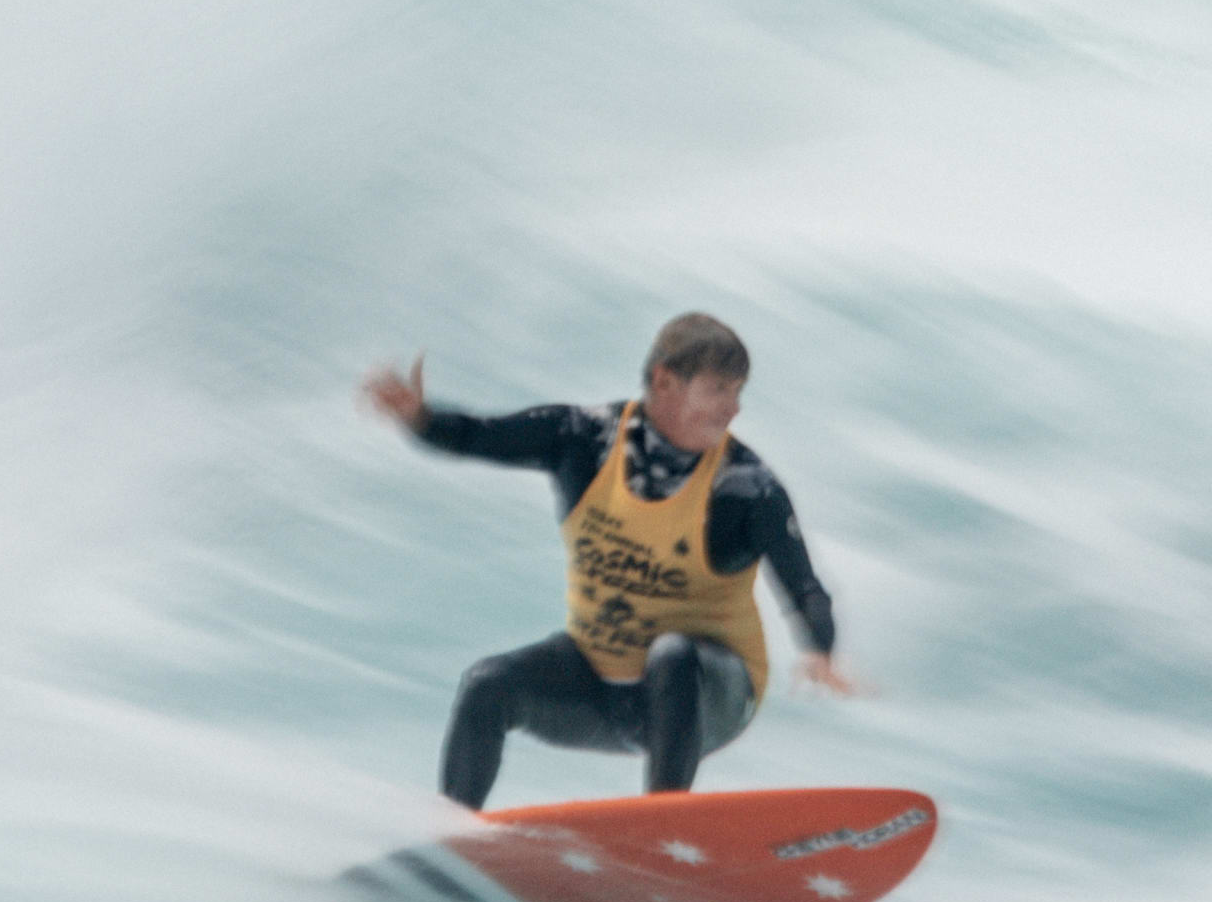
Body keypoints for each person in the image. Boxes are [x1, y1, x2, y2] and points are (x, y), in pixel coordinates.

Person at [361, 311, 859, 809]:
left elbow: (805, 588)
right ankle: (451, 836)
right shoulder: (584, 439)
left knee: (673, 653)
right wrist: (420, 420)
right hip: (603, 689)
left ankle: (660, 825)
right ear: (665, 380)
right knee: (487, 684)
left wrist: (820, 648)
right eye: (719, 390)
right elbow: (478, 435)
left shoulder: (746, 488)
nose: (733, 409)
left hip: (712, 697)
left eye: (738, 392)